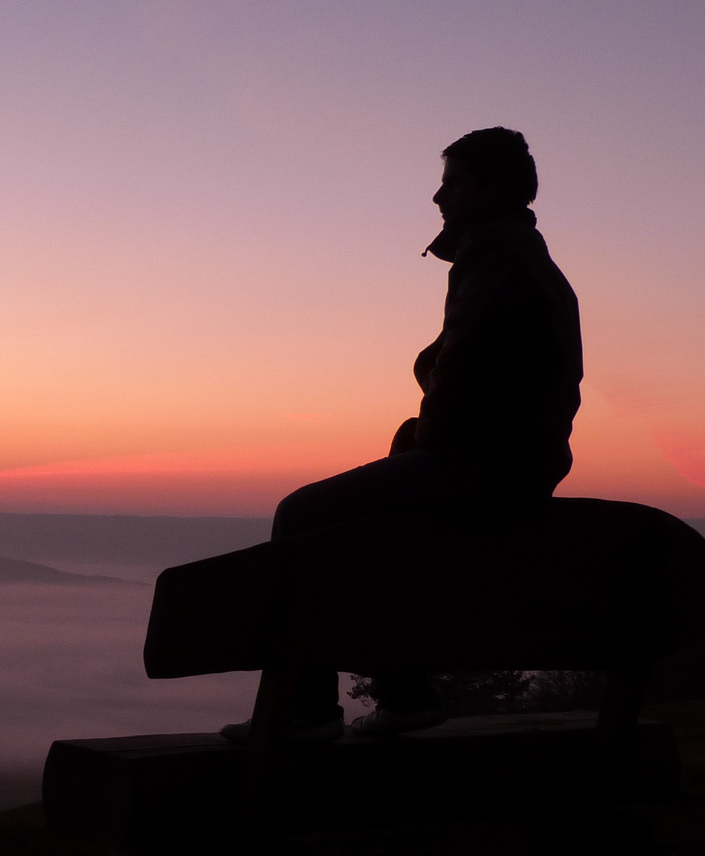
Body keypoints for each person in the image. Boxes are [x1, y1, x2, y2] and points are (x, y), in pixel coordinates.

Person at [221, 127, 583, 744]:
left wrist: (425, 439)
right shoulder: (521, 253)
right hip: (513, 463)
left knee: (303, 516)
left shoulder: (497, 255)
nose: (439, 198)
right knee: (377, 533)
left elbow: (465, 366)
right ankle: (406, 692)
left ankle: (305, 710)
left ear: (495, 188)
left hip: (483, 465)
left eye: (454, 182)